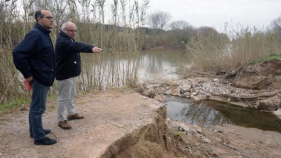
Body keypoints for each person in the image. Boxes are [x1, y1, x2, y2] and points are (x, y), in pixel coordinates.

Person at [12, 10, 57, 145]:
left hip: (43, 75)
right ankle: (39, 137)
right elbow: (18, 53)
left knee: (36, 106)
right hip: (40, 77)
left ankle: (35, 130)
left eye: (53, 18)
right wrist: (28, 74)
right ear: (39, 19)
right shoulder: (36, 34)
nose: (52, 20)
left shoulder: (42, 34)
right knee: (38, 108)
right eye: (49, 18)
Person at [55, 22, 102, 129]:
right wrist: (91, 48)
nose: (74, 33)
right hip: (65, 74)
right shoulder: (62, 41)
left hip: (70, 73)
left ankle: (71, 113)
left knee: (71, 94)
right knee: (63, 97)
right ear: (65, 30)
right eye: (72, 31)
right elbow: (76, 46)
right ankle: (61, 120)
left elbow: (74, 47)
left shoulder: (68, 39)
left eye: (75, 31)